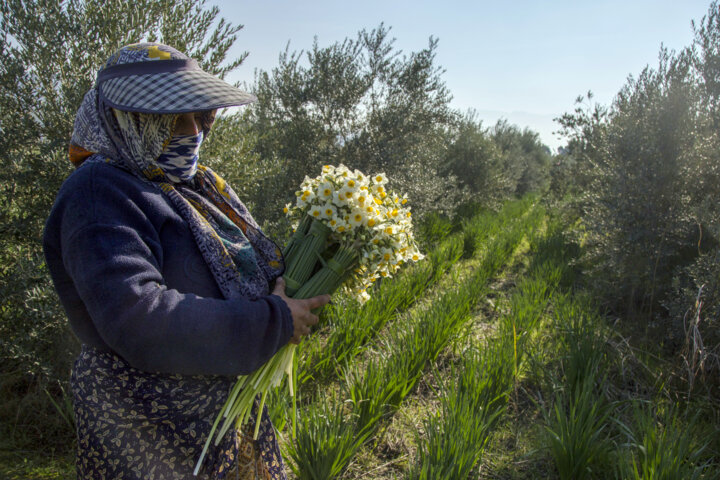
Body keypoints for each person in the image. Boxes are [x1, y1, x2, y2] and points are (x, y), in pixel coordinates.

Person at [42, 42, 329, 479]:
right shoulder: (98, 193)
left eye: (201, 116)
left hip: (218, 418)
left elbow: (240, 266)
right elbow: (139, 318)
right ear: (133, 121)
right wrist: (271, 322)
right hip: (149, 430)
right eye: (178, 117)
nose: (195, 131)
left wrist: (323, 253)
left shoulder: (192, 187)